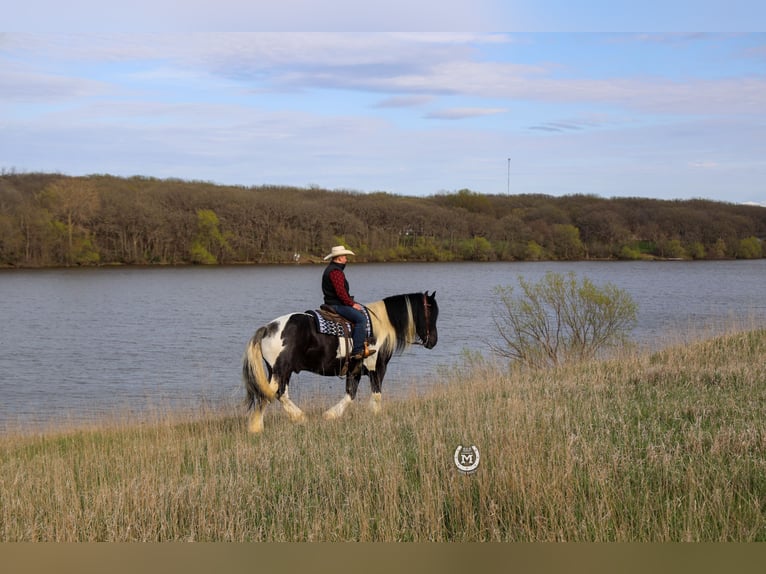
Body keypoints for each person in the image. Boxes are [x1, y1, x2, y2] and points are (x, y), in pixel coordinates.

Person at [322, 245, 376, 360]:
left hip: (333, 302)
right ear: (339, 258)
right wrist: (351, 304)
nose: (346, 259)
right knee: (361, 319)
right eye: (345, 257)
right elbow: (341, 292)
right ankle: (357, 351)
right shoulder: (336, 272)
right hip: (336, 305)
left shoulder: (332, 269)